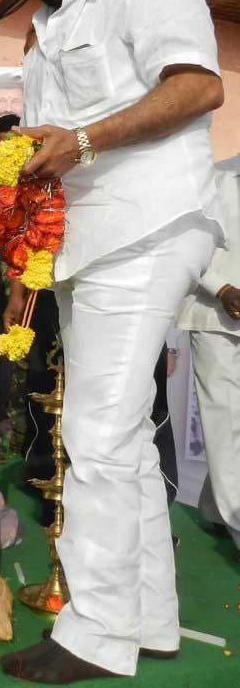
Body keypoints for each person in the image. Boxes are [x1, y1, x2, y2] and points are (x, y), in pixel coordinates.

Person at [0, 0, 224, 683]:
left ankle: (91, 632)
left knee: (92, 433)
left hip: (151, 224)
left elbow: (199, 88)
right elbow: (49, 157)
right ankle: (148, 621)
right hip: (84, 245)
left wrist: (83, 142)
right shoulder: (38, 36)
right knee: (117, 439)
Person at [177, 151, 240, 558]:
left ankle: (215, 508)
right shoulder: (214, 176)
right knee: (225, 423)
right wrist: (221, 288)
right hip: (217, 314)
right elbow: (189, 245)